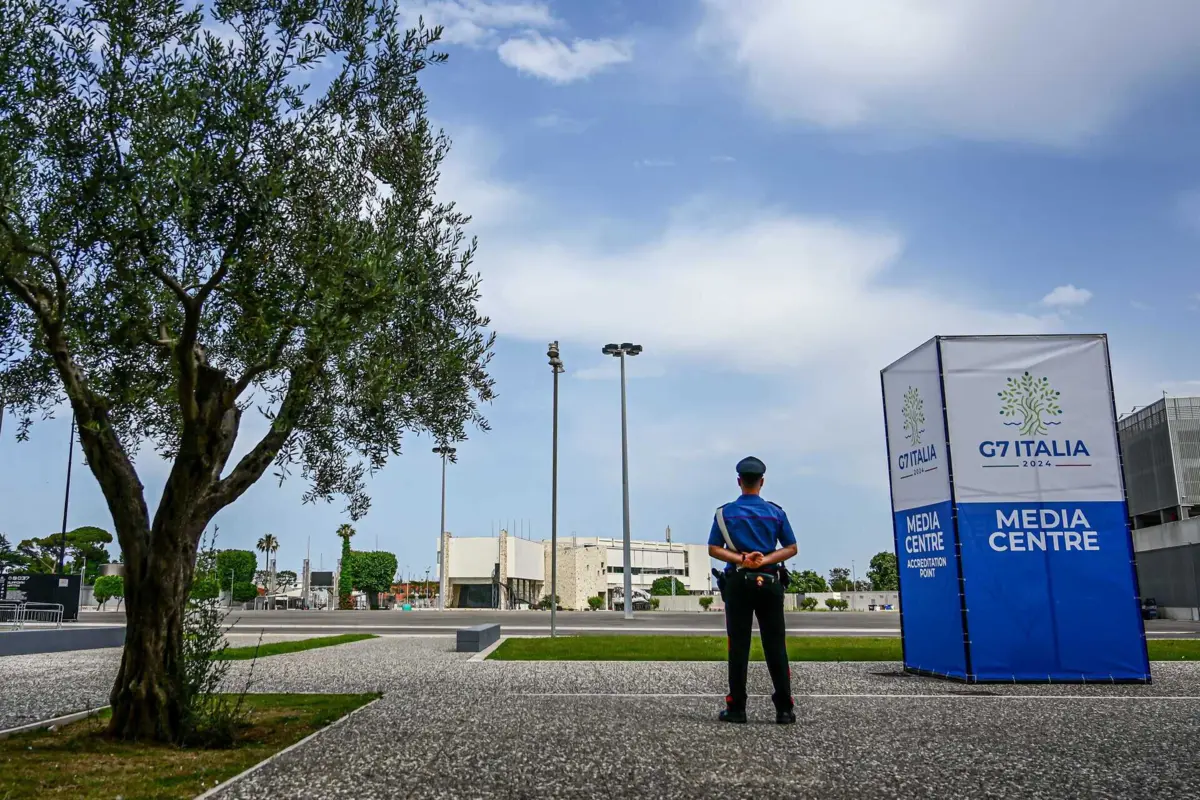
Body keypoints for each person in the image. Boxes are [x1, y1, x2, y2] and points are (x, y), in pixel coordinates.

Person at [708, 455, 798, 724]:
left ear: (739, 482)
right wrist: (765, 560)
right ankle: (784, 708)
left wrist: (742, 560)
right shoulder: (775, 513)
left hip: (738, 582)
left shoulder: (724, 514)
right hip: (770, 583)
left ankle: (737, 707)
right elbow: (792, 547)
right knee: (775, 646)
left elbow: (714, 548)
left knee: (738, 646)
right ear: (762, 481)